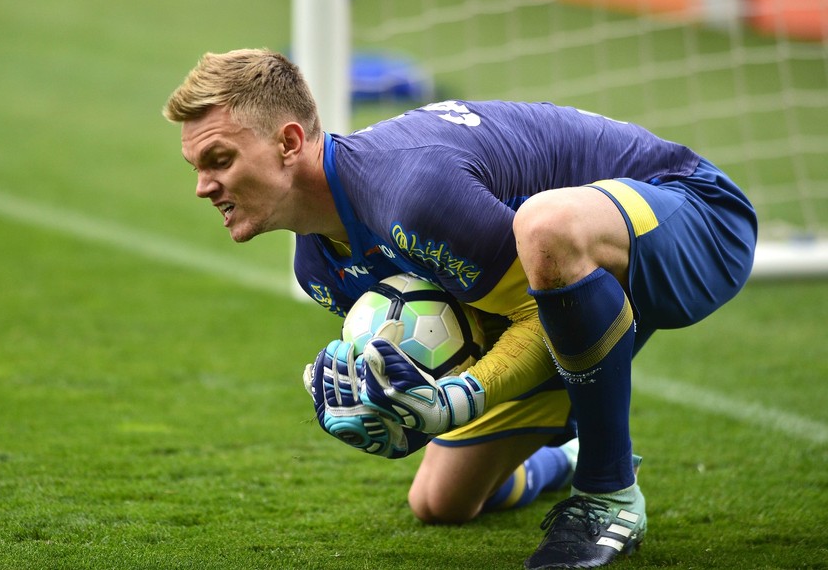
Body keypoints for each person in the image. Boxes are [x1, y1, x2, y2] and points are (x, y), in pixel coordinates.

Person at [163, 48, 757, 569]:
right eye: (197, 168)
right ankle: (569, 455)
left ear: (289, 142)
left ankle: (608, 494)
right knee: (440, 503)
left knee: (545, 227)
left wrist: (457, 399)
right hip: (571, 298)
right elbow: (476, 341)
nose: (202, 187)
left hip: (694, 216)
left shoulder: (410, 192)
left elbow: (531, 314)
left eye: (219, 160)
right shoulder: (317, 269)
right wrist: (390, 410)